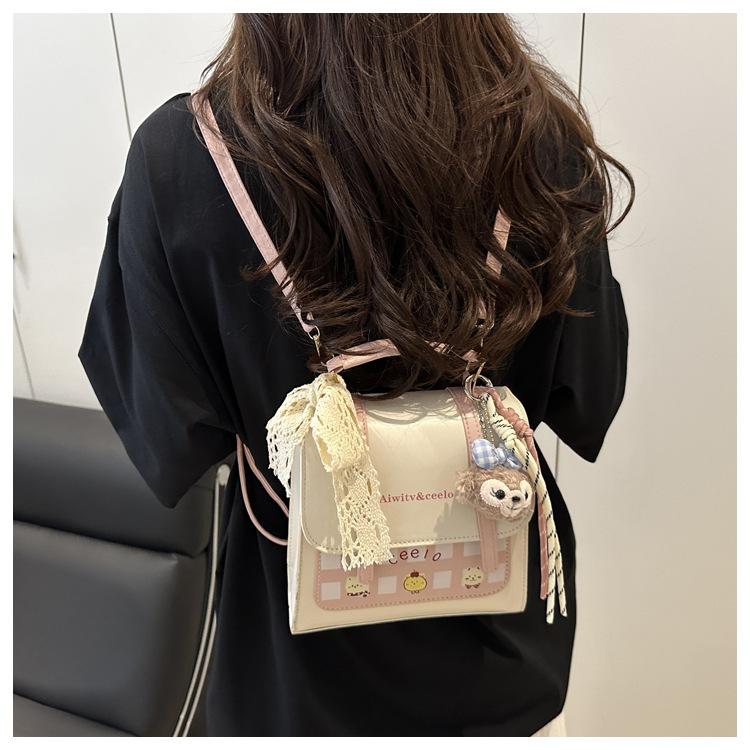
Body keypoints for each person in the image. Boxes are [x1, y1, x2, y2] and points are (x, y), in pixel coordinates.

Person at [78, 13, 631, 736]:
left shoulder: (179, 156)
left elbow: (171, 431)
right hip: (500, 662)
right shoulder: (543, 141)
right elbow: (587, 390)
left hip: (297, 671)